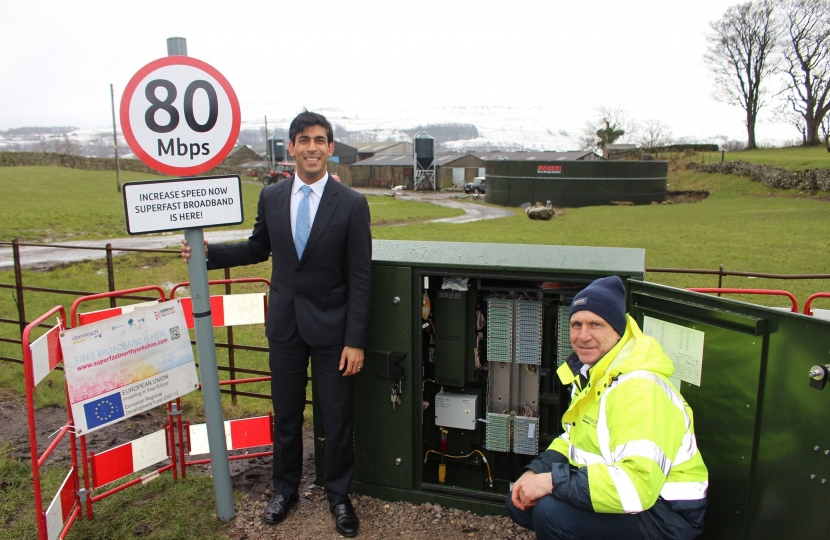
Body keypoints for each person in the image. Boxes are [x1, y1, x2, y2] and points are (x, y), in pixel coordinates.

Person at [181, 111, 371, 537]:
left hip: (334, 333)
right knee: (285, 414)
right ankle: (284, 490)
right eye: (303, 140)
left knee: (337, 418)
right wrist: (209, 252)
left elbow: (361, 278)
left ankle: (339, 497)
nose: (312, 148)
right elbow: (257, 247)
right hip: (285, 326)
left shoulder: (354, 205)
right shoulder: (272, 196)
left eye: (320, 140)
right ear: (291, 148)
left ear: (330, 148)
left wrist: (355, 341)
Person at [507, 276, 708, 540]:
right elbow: (573, 440)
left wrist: (551, 482)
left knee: (550, 513)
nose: (583, 336)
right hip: (633, 500)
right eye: (576, 324)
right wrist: (536, 472)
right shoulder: (596, 374)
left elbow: (636, 489)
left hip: (665, 515)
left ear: (618, 330)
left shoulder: (641, 391)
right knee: (520, 502)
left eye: (596, 325)